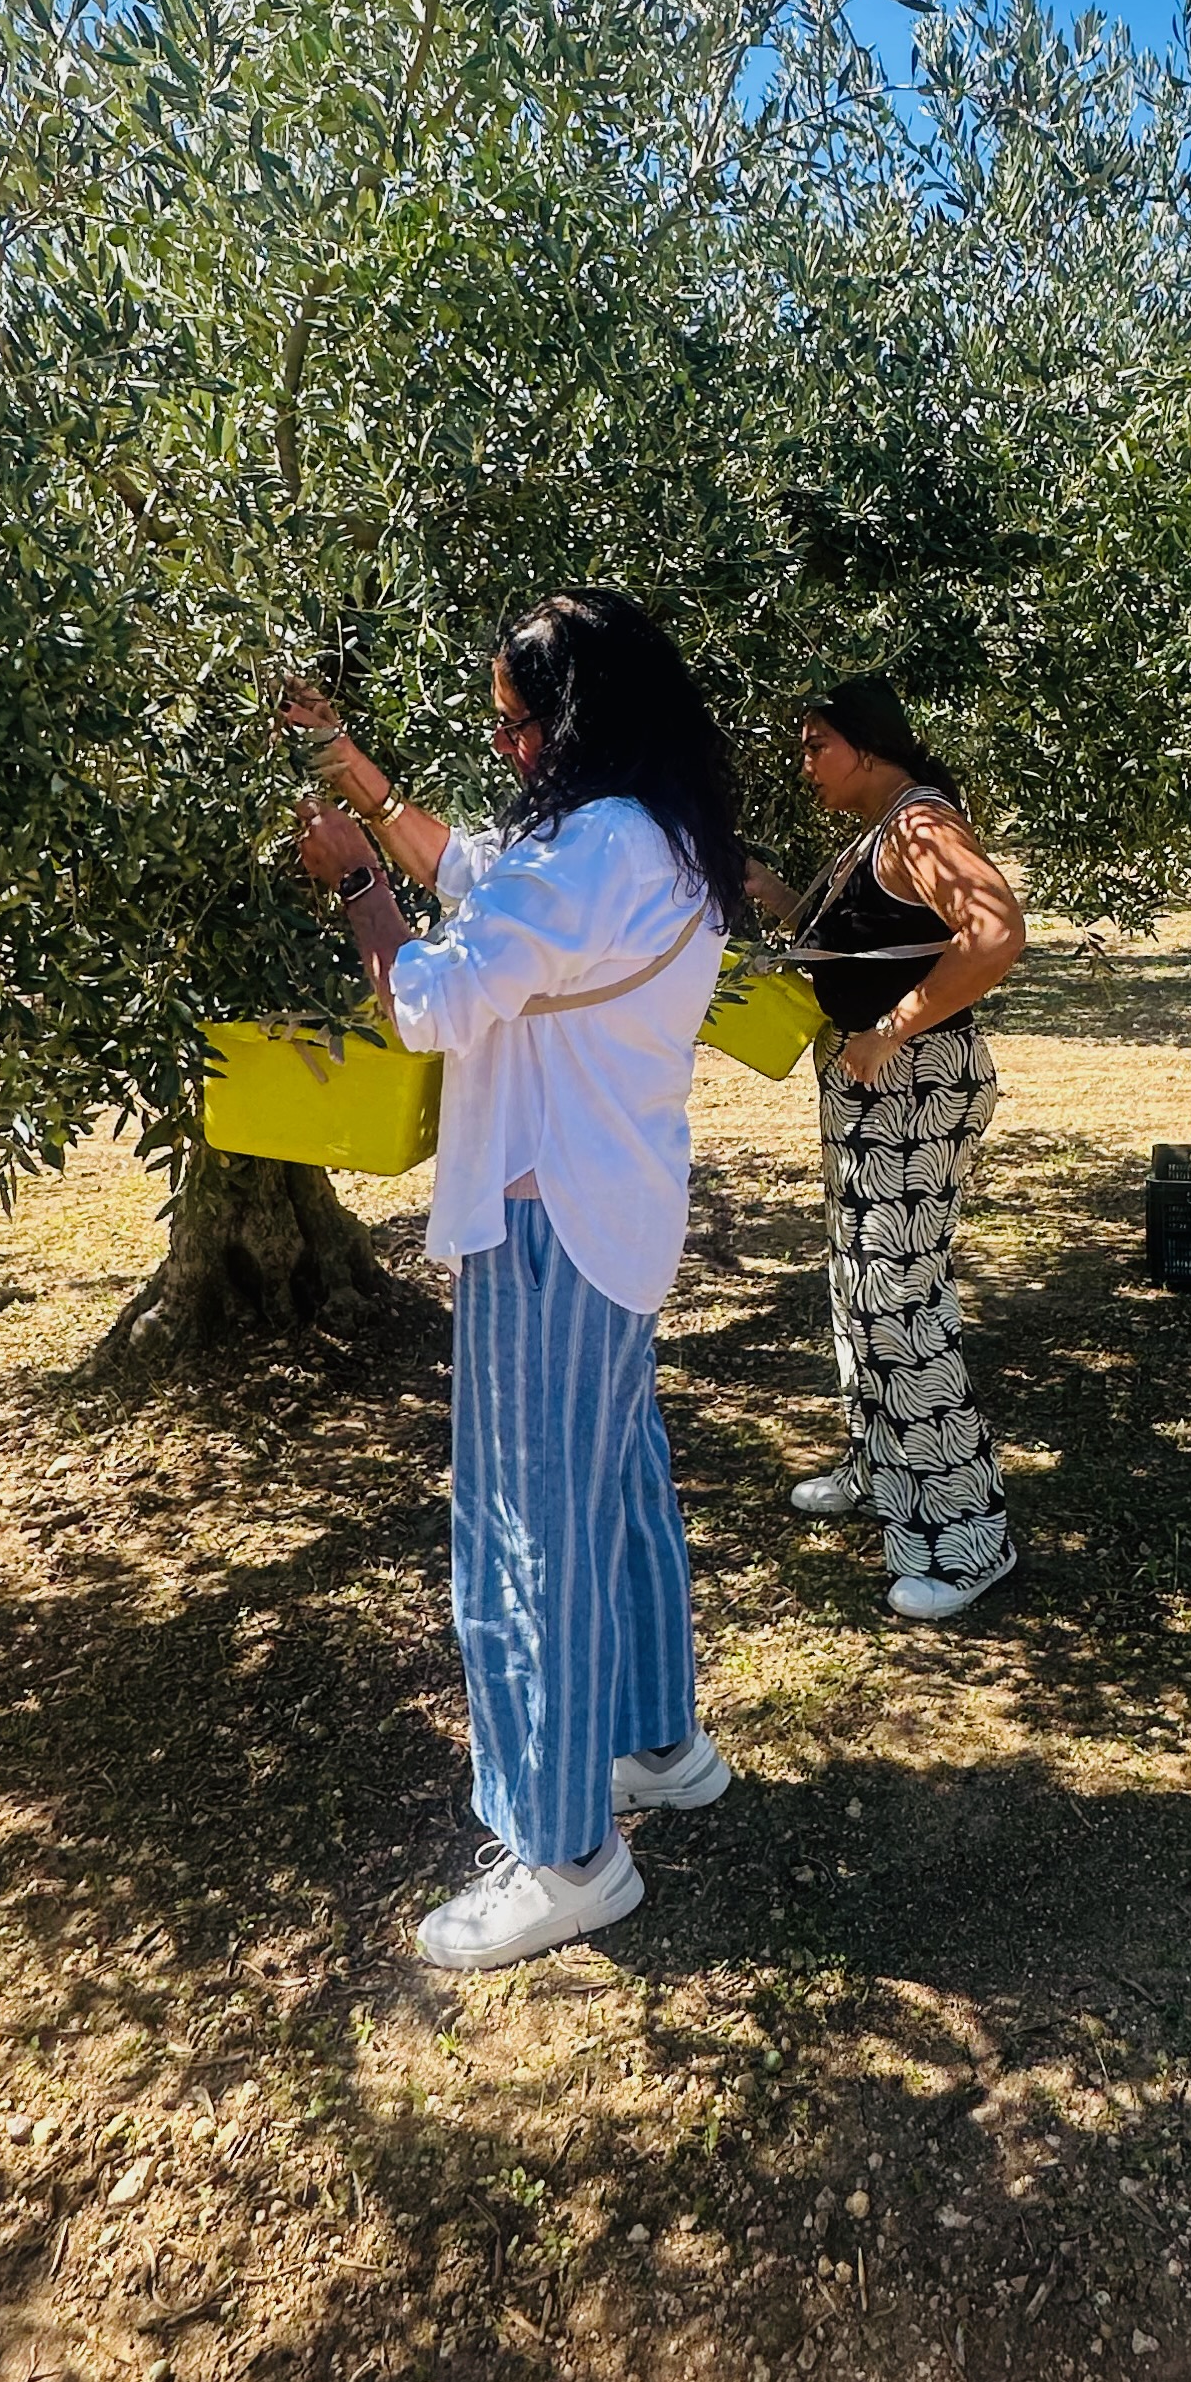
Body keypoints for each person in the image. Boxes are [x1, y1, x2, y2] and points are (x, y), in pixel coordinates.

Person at [285, 590, 747, 1970]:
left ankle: (565, 1854)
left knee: (523, 1528)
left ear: (573, 724)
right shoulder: (652, 837)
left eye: (514, 722)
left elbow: (426, 996)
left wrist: (355, 885)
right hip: (615, 1215)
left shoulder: (594, 849)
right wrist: (351, 767)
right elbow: (477, 871)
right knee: (616, 1490)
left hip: (544, 1229)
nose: (501, 746)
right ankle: (662, 1746)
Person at [746, 679, 1027, 1624]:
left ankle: (968, 1537)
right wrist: (782, 898)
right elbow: (873, 946)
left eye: (816, 743)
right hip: (874, 1089)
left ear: (866, 748)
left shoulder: (917, 827)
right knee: (860, 1289)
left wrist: (893, 1031)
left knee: (901, 1298)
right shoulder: (878, 837)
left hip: (910, 1082)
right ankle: (881, 1473)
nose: (806, 761)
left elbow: (994, 934)